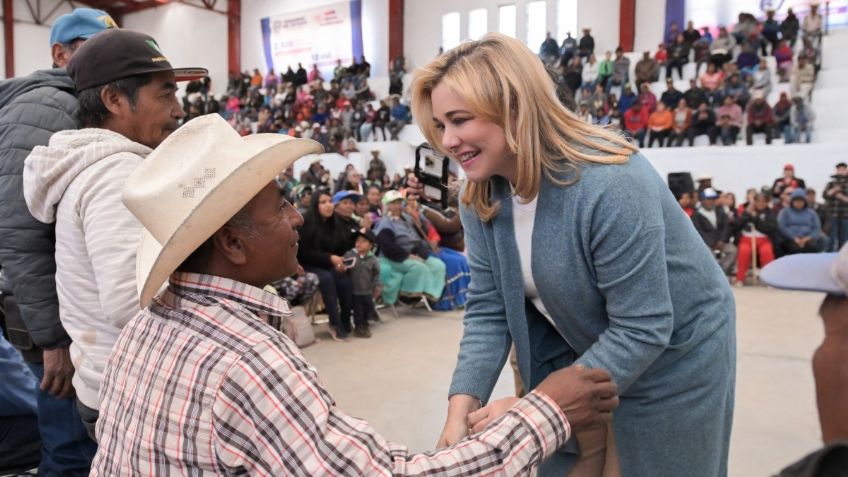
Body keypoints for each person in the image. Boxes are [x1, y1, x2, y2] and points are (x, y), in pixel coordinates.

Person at [89, 113, 619, 475]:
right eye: (280, 208)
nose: (296, 216)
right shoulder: (243, 361)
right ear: (231, 242)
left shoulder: (150, 324)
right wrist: (546, 410)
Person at [411, 33, 735, 476]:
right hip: (593, 340)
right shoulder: (481, 195)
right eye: (440, 125)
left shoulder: (610, 181)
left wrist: (536, 407)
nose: (447, 140)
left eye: (460, 120)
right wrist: (459, 406)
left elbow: (643, 326)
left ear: (515, 107)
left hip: (676, 355)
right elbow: (489, 309)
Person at [22, 28, 205, 440]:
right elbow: (133, 303)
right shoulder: (115, 175)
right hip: (135, 395)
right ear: (114, 100)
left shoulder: (101, 168)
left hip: (115, 385)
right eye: (165, 95)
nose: (178, 110)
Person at [0, 7, 114, 474]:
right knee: (70, 448)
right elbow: (19, 231)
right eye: (93, 46)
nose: (105, 57)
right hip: (48, 317)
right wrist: (53, 340)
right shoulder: (48, 105)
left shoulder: (80, 103)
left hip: (62, 308)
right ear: (59, 53)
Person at [374, 190, 446, 305]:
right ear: (387, 205)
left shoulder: (407, 218)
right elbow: (388, 247)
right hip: (393, 257)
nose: (397, 206)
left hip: (413, 253)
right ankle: (408, 295)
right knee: (418, 267)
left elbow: (416, 239)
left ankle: (431, 294)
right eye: (393, 203)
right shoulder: (385, 223)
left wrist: (424, 254)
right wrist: (408, 256)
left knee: (438, 265)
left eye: (398, 202)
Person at [692, 188, 737, 276]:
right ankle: (712, 274)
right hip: (706, 244)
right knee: (708, 253)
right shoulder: (696, 215)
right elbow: (699, 232)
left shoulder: (720, 212)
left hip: (721, 242)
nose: (711, 202)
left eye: (713, 199)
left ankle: (721, 271)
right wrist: (712, 243)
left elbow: (726, 228)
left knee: (733, 250)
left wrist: (722, 241)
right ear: (703, 200)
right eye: (709, 199)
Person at [343, 230, 380, 338]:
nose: (359, 243)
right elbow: (343, 267)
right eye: (357, 240)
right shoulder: (350, 255)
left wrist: (377, 285)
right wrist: (341, 268)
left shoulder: (372, 259)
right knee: (358, 310)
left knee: (368, 306)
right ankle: (360, 327)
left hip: (368, 290)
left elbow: (376, 273)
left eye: (364, 241)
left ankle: (368, 318)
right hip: (354, 290)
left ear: (371, 245)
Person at [735, 193, 778, 285]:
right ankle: (740, 279)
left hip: (763, 239)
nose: (760, 204)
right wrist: (747, 214)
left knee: (767, 252)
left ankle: (769, 280)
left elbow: (770, 228)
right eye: (758, 201)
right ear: (755, 202)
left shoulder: (770, 213)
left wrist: (756, 218)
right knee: (744, 251)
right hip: (747, 238)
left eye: (763, 202)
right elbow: (737, 223)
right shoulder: (747, 211)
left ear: (767, 203)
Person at [778, 189, 827, 255]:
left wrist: (807, 238)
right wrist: (794, 238)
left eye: (801, 201)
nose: (798, 203)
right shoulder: (785, 212)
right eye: (796, 201)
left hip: (808, 238)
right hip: (790, 238)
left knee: (813, 246)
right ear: (792, 201)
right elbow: (782, 226)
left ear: (804, 201)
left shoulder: (811, 213)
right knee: (794, 248)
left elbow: (817, 227)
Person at [824, 163, 848, 251]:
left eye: (843, 169)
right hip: (832, 215)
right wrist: (834, 190)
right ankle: (829, 257)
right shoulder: (831, 184)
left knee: (844, 239)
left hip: (846, 216)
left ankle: (842, 259)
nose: (841, 171)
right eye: (839, 169)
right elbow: (825, 195)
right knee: (831, 238)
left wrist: (841, 197)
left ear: (846, 170)